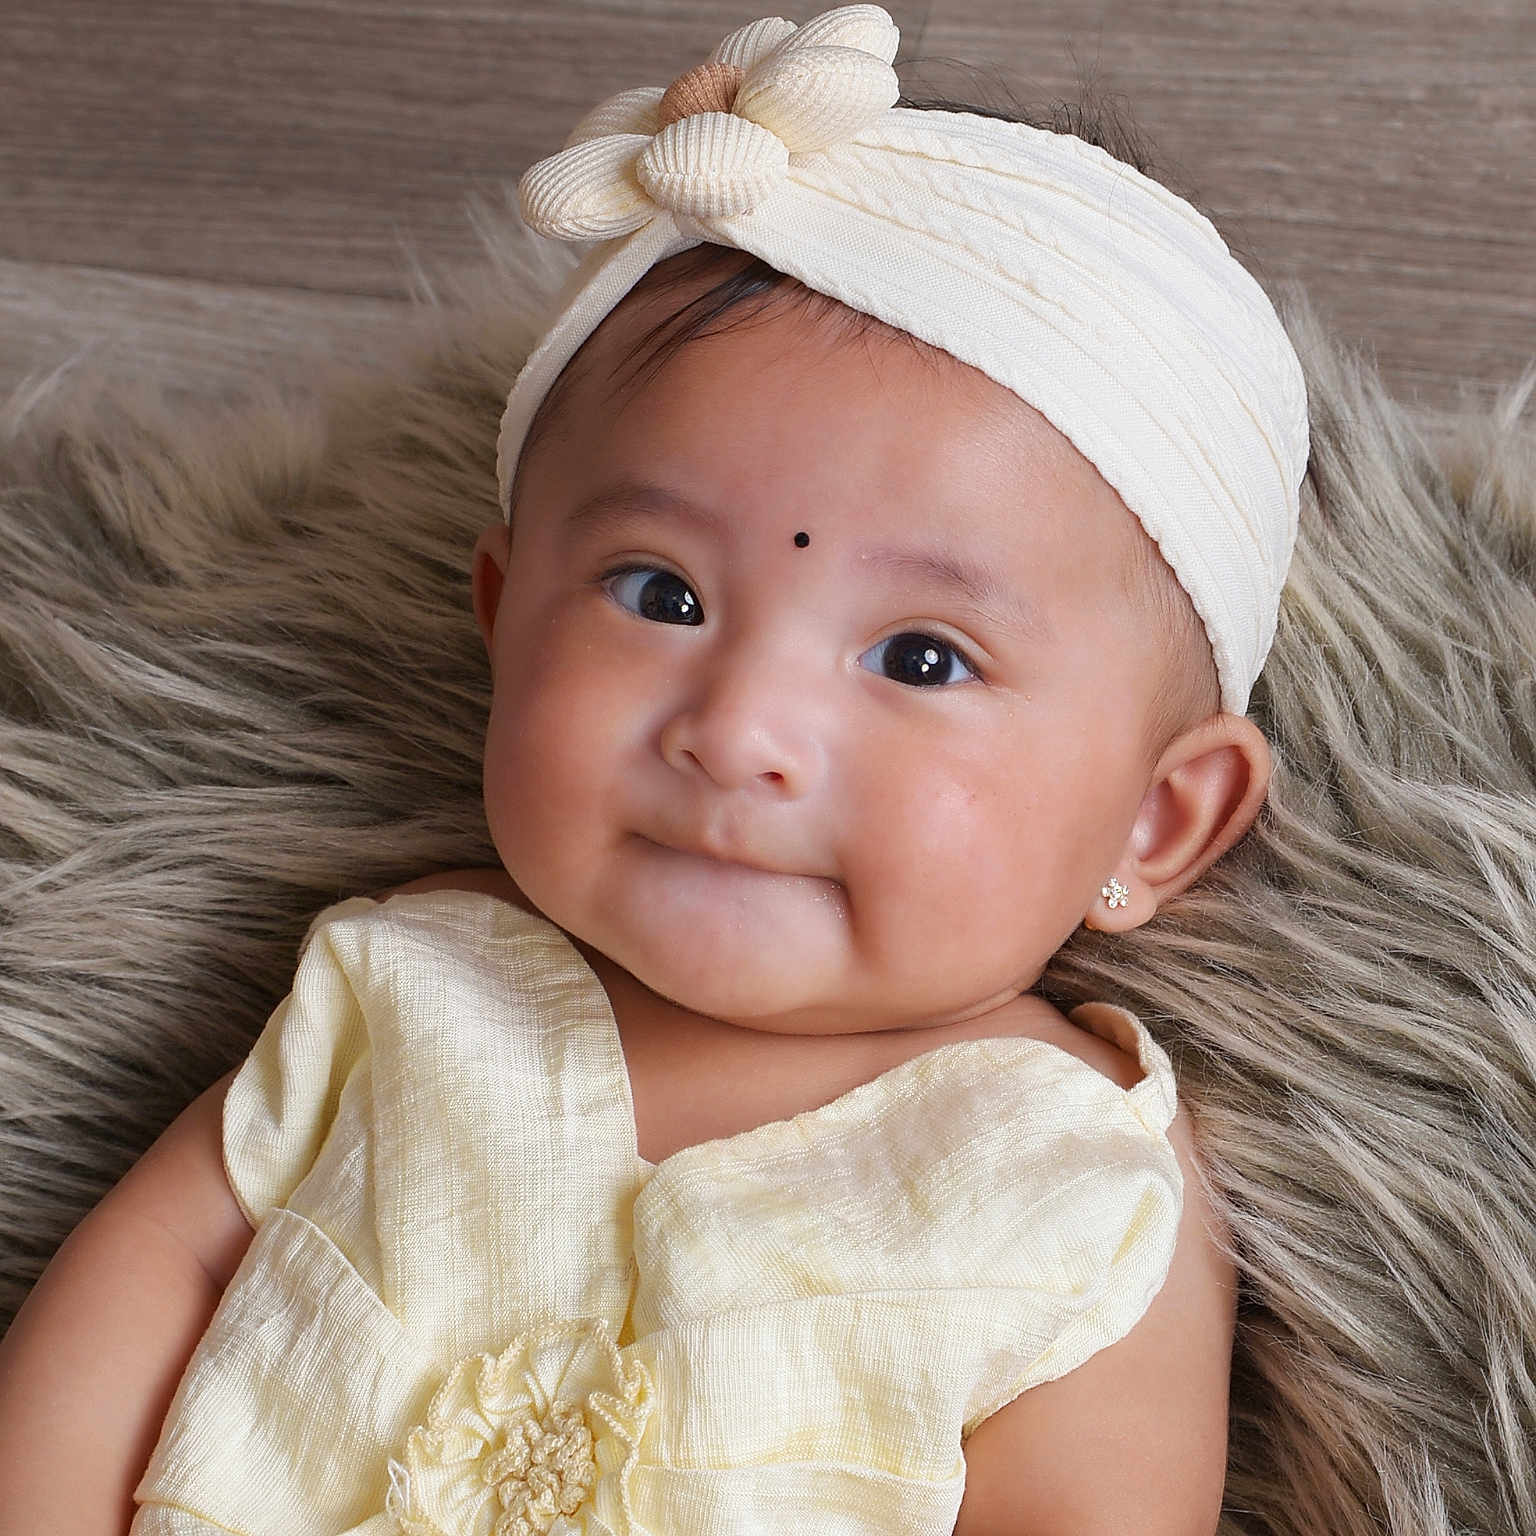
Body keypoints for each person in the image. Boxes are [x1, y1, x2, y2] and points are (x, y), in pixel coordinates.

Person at [0, 6, 1309, 1532]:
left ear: (1157, 818)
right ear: (507, 621)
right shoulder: (414, 987)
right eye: (660, 595)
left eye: (921, 659)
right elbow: (150, 1281)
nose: (738, 728)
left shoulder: (1069, 1180)